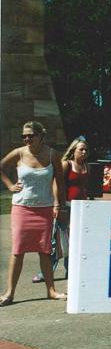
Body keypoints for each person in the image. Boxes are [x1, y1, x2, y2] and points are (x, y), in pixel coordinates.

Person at [0, 121, 68, 306]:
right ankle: (9, 293)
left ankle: (51, 290)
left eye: (31, 135)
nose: (27, 139)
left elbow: (60, 183)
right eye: (24, 136)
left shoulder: (53, 154)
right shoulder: (19, 153)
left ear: (41, 135)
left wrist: (59, 206)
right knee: (18, 250)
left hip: (45, 209)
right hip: (22, 208)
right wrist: (10, 186)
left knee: (45, 251)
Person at [33, 136, 89, 283]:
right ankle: (46, 272)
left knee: (75, 240)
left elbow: (84, 187)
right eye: (81, 149)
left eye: (85, 150)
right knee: (57, 240)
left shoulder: (86, 166)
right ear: (73, 150)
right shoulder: (66, 164)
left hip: (80, 209)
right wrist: (58, 205)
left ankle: (70, 270)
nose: (84, 152)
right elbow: (56, 184)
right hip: (66, 207)